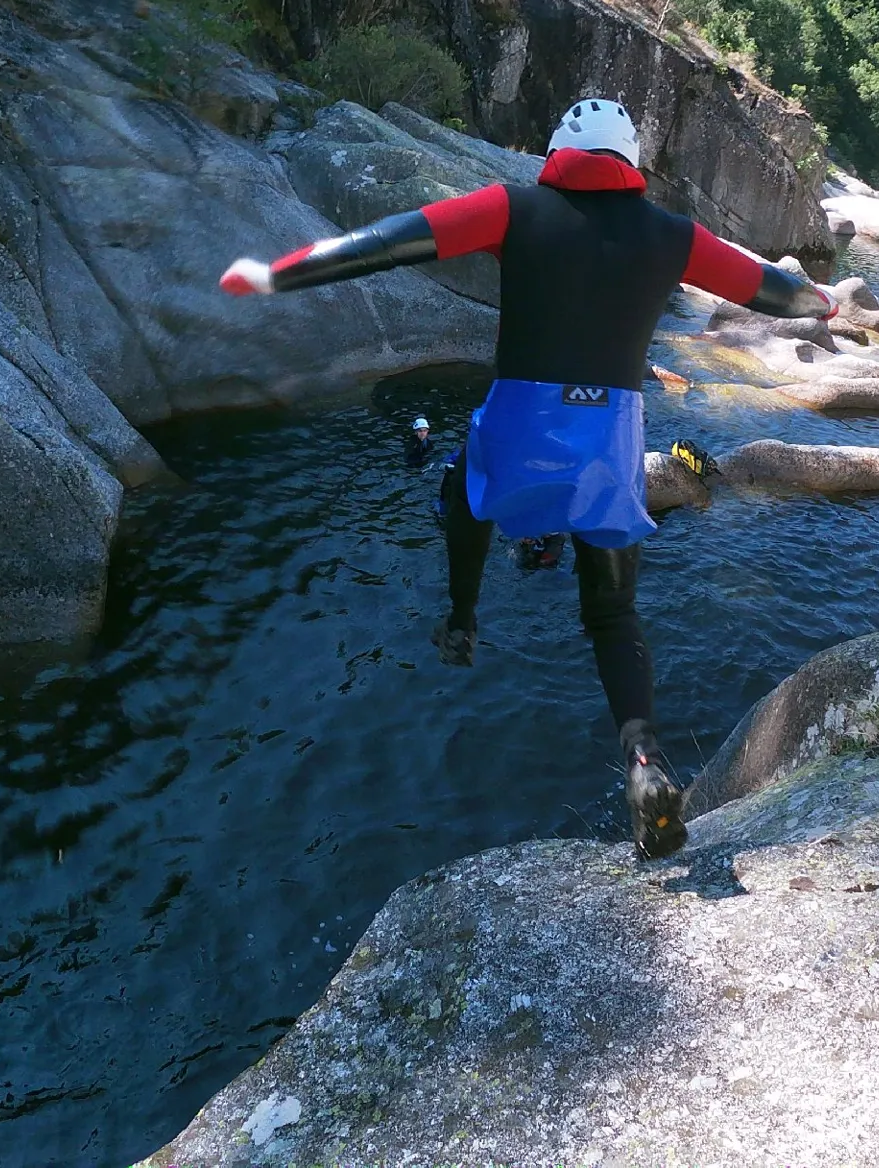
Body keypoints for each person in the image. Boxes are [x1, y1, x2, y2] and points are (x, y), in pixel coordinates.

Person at [220, 97, 834, 857]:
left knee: (465, 494)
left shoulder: (513, 208)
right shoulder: (674, 237)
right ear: (631, 162)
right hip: (609, 445)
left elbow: (387, 243)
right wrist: (824, 299)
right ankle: (643, 760)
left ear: (558, 150)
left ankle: (463, 621)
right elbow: (775, 291)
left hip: (519, 428)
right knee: (612, 615)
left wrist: (274, 274)